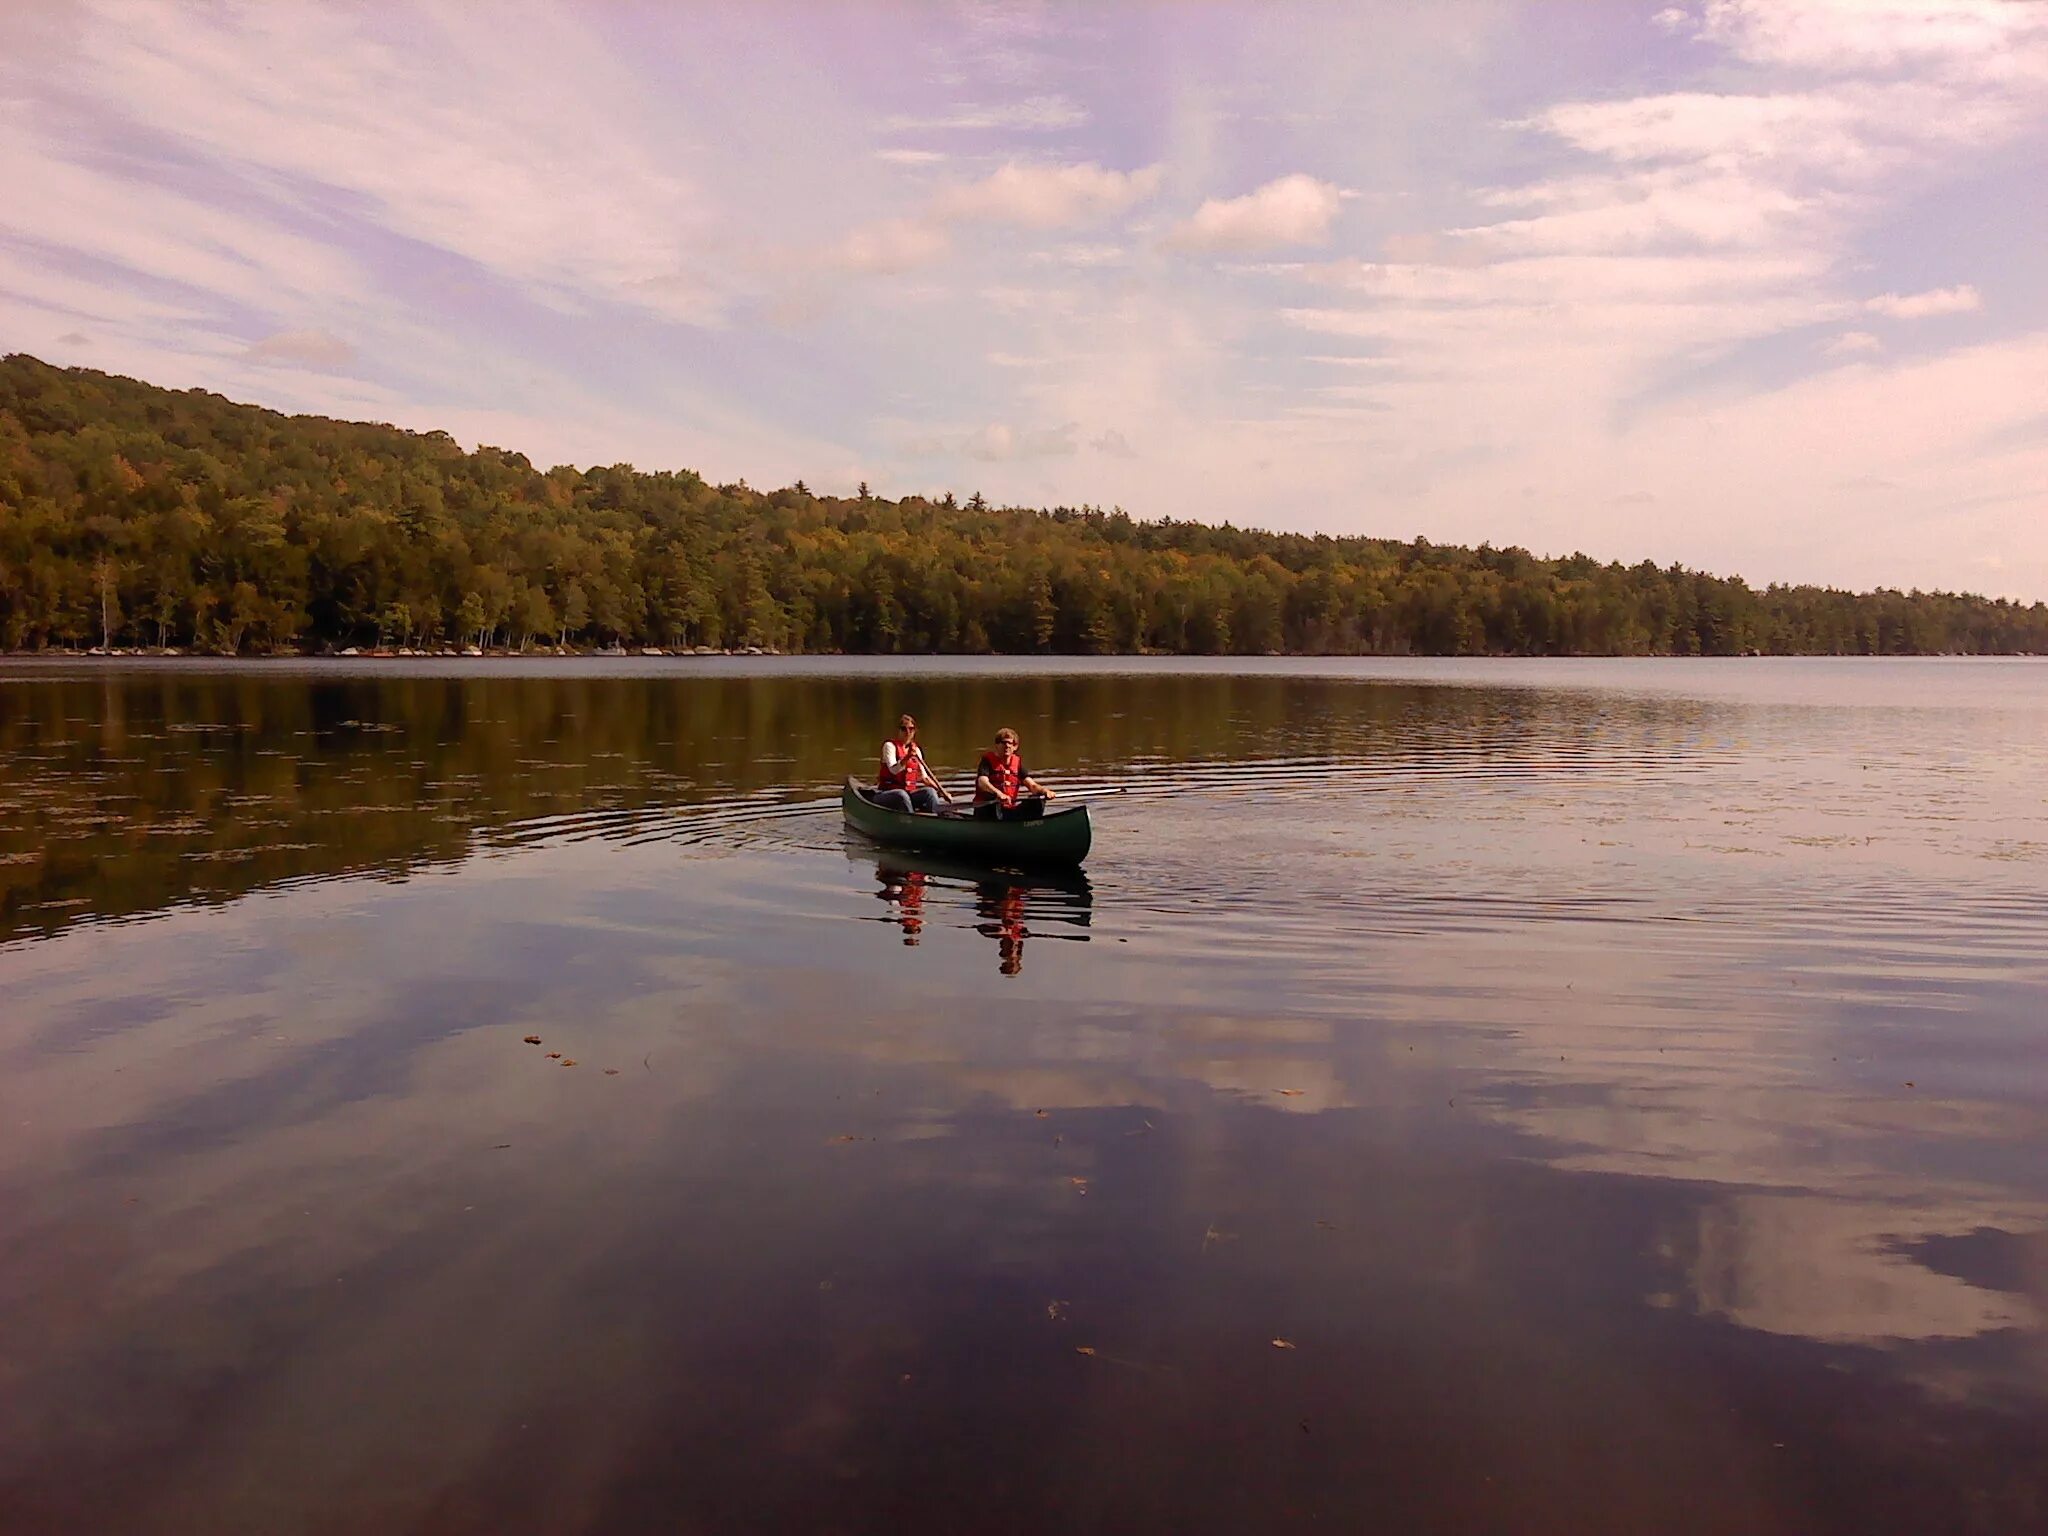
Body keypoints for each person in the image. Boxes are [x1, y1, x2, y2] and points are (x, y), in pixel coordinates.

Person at [875, 713, 951, 815]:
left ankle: (938, 818)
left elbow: (925, 778)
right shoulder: (889, 746)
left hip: (908, 794)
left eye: (911, 729)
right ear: (898, 731)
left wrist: (942, 792)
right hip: (886, 793)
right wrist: (907, 757)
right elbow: (893, 770)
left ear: (914, 731)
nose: (907, 732)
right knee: (901, 794)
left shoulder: (916, 750)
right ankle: (911, 820)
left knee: (930, 792)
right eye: (904, 729)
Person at [973, 726, 1053, 817]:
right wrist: (998, 793)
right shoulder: (987, 761)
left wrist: (1044, 791)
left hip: (1007, 809)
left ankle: (1031, 825)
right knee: (994, 806)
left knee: (1037, 800)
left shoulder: (1017, 763)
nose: (1007, 746)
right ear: (997, 745)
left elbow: (1032, 785)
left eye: (1010, 743)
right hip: (987, 809)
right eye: (1003, 743)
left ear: (1015, 747)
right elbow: (982, 782)